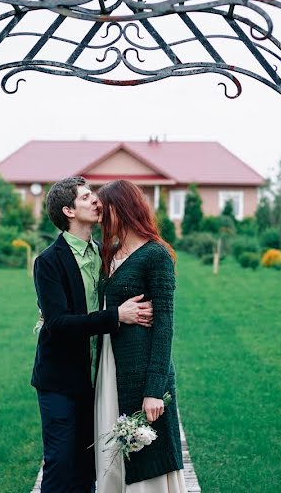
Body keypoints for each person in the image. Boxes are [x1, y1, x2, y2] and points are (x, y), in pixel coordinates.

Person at [32, 176, 154, 493]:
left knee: (89, 466)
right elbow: (57, 324)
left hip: (96, 378)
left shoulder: (103, 254)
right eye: (87, 197)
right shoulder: (48, 262)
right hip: (59, 380)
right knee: (60, 463)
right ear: (68, 211)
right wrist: (117, 316)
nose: (96, 201)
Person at [94, 180, 186, 493]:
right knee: (114, 449)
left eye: (104, 211)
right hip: (111, 367)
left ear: (122, 209)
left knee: (147, 456)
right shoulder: (110, 253)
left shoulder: (156, 255)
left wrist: (155, 390)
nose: (100, 218)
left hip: (142, 369)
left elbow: (165, 325)